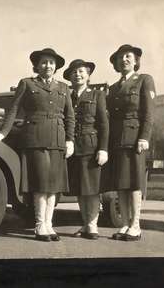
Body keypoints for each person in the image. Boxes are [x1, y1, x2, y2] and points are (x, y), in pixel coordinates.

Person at [0, 48, 75, 242]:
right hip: (35, 138)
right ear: (37, 65)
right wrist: (3, 133)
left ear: (56, 67)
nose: (48, 66)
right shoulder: (27, 84)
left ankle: (49, 224)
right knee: (41, 184)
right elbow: (13, 110)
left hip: (57, 139)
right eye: (44, 62)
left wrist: (70, 140)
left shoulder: (64, 88)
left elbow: (70, 116)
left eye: (51, 63)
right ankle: (40, 225)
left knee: (53, 186)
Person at [106, 44, 156, 241]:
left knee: (134, 183)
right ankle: (125, 224)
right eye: (120, 58)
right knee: (121, 184)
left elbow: (149, 113)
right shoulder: (113, 88)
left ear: (135, 61)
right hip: (117, 141)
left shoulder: (144, 80)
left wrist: (144, 137)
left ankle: (136, 225)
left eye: (128, 56)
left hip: (135, 139)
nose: (124, 60)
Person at [63, 59, 109, 240]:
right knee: (80, 189)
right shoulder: (68, 96)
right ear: (70, 78)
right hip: (73, 148)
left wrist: (103, 149)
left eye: (81, 71)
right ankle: (85, 223)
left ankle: (92, 226)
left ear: (88, 75)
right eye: (74, 72)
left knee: (92, 189)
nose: (78, 74)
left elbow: (104, 124)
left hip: (91, 147)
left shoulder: (97, 95)